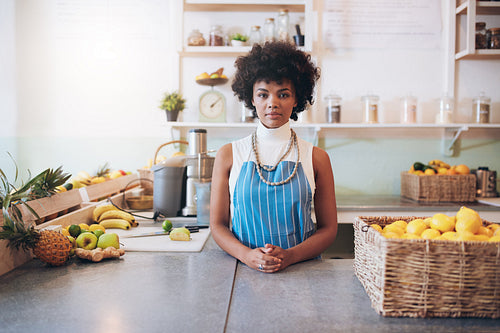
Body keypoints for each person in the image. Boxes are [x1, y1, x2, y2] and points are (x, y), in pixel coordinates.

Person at [210, 41, 338, 273]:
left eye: (283, 94)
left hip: (303, 272)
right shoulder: (229, 155)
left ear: (297, 99)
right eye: (263, 94)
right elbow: (218, 226)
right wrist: (247, 255)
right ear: (251, 99)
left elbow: (329, 229)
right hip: (244, 273)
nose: (272, 103)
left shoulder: (317, 158)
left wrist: (291, 256)